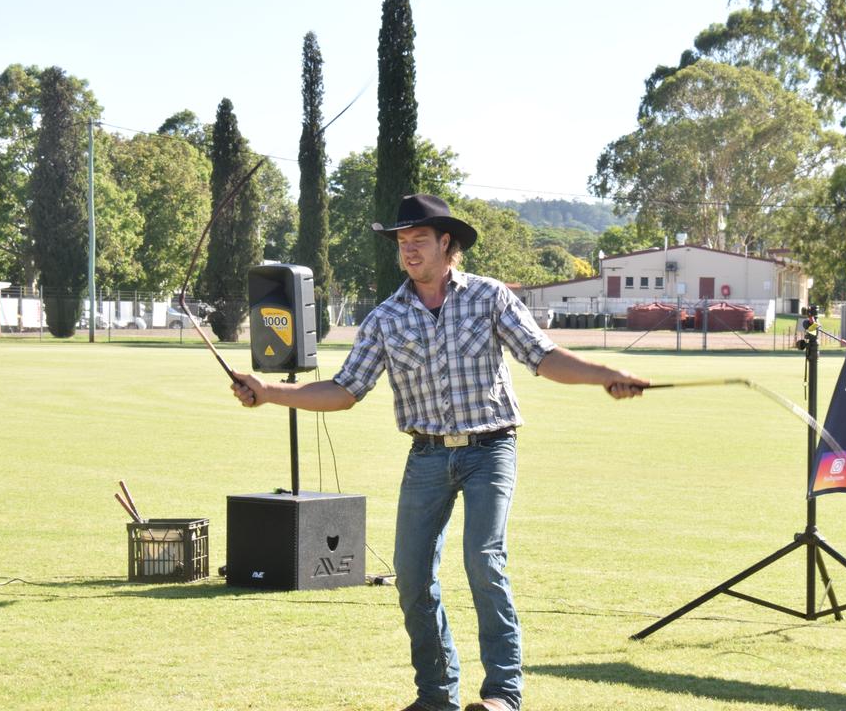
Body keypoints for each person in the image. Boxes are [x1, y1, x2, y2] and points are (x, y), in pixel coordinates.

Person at [231, 194, 648, 711]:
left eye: (418, 241)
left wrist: (607, 376)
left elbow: (542, 357)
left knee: (483, 558)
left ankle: (502, 696)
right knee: (410, 574)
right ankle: (435, 697)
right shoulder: (385, 317)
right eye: (402, 243)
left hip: (490, 447)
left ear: (446, 244)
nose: (408, 251)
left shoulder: (490, 297)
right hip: (426, 456)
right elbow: (344, 390)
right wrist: (271, 393)